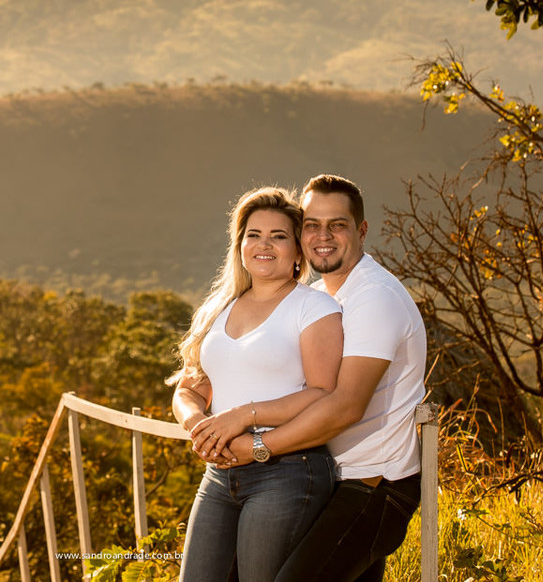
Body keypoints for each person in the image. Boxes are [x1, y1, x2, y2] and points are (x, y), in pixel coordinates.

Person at [190, 174, 427, 582]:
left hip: (372, 484)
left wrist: (256, 446)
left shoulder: (372, 298)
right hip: (332, 475)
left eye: (338, 225)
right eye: (313, 225)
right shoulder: (325, 295)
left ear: (362, 230)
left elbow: (344, 405)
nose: (323, 236)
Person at [170, 185, 344, 582]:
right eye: (254, 235)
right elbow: (189, 389)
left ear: (298, 250)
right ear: (240, 244)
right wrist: (200, 426)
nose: (264, 245)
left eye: (279, 236)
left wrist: (241, 417)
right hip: (220, 472)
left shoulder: (315, 307)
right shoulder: (219, 308)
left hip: (287, 470)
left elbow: (322, 392)